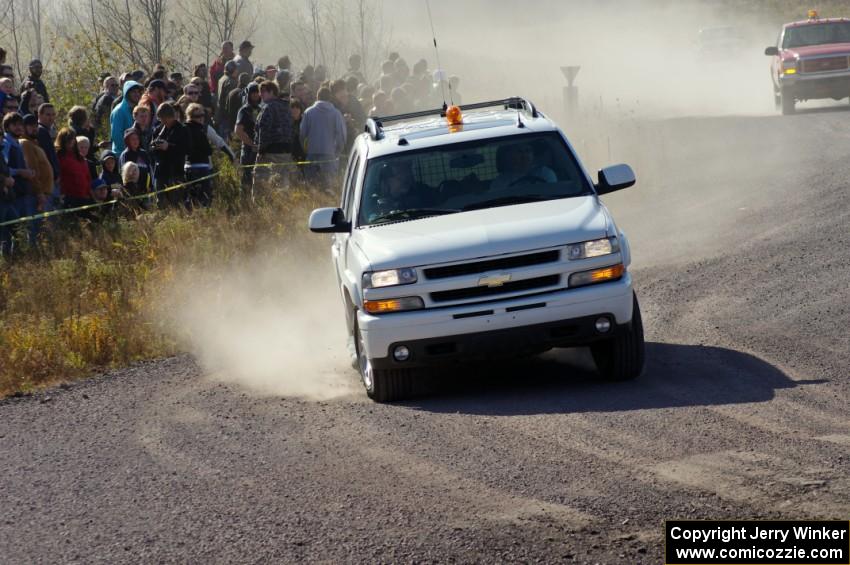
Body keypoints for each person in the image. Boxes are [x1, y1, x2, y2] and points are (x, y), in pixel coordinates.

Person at [253, 80, 293, 200]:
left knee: (261, 181)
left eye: (263, 91)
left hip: (269, 152)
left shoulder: (269, 107)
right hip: (286, 152)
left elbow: (264, 129)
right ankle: (283, 207)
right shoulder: (286, 107)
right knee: (282, 182)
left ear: (272, 92)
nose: (261, 95)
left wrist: (261, 150)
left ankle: (261, 208)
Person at [300, 86, 346, 186]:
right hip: (329, 156)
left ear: (317, 97)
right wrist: (337, 151)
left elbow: (302, 134)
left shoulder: (308, 112)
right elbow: (341, 136)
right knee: (328, 187)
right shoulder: (336, 114)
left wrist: (305, 150)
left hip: (312, 155)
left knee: (312, 188)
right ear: (330, 98)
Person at [150, 102, 190, 209]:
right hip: (161, 171)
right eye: (161, 119)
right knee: (161, 202)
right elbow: (152, 147)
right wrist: (155, 147)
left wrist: (169, 146)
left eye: (165, 118)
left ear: (171, 117)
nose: (163, 121)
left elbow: (185, 149)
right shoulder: (158, 130)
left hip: (175, 171)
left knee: (176, 202)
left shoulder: (182, 130)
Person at [2, 113, 36, 240]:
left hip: (21, 192)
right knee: (11, 234)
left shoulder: (17, 143)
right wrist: (21, 172)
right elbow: (4, 170)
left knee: (21, 231)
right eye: (15, 125)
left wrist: (28, 172)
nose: (19, 128)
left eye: (20, 125)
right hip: (11, 194)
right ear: (7, 127)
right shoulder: (6, 144)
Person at [20, 114, 53, 218]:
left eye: (36, 126)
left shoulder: (34, 142)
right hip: (37, 196)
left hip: (44, 193)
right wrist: (39, 193)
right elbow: (32, 169)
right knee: (36, 230)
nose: (35, 128)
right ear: (24, 127)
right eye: (31, 126)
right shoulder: (25, 143)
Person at [55, 127, 93, 213]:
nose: (70, 142)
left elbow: (87, 176)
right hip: (69, 198)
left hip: (84, 196)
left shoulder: (79, 157)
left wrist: (88, 192)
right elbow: (58, 177)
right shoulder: (59, 156)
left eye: (72, 139)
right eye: (68, 139)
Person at [491, 142, 556, 190]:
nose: (524, 155)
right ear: (512, 155)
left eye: (528, 151)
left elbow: (553, 192)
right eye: (519, 151)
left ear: (533, 154)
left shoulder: (545, 173)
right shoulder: (501, 181)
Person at [234, 82, 261, 191]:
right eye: (252, 92)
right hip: (248, 150)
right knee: (246, 180)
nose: (255, 95)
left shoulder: (261, 109)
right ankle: (244, 204)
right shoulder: (244, 110)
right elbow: (238, 130)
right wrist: (251, 144)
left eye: (257, 92)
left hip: (260, 149)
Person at [330, 79, 365, 153]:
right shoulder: (332, 106)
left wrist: (354, 122)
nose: (342, 93)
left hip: (357, 140)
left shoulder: (354, 101)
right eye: (338, 91)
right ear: (334, 94)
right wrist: (342, 120)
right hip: (340, 146)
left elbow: (363, 119)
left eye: (343, 89)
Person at [110, 80, 143, 153]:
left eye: (138, 92)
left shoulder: (137, 109)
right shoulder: (119, 111)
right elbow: (117, 136)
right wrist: (128, 150)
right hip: (122, 154)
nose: (137, 94)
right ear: (127, 93)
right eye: (134, 92)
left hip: (135, 152)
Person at [118, 128, 151, 200]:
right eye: (133, 139)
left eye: (137, 139)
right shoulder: (125, 155)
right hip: (132, 191)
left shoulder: (143, 153)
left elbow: (149, 170)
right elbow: (124, 175)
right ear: (127, 141)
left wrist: (150, 185)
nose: (135, 141)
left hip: (145, 189)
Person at [216, 60, 238, 136]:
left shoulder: (222, 79)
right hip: (227, 116)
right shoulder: (231, 82)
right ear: (232, 70)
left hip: (220, 113)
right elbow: (231, 101)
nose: (237, 71)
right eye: (236, 69)